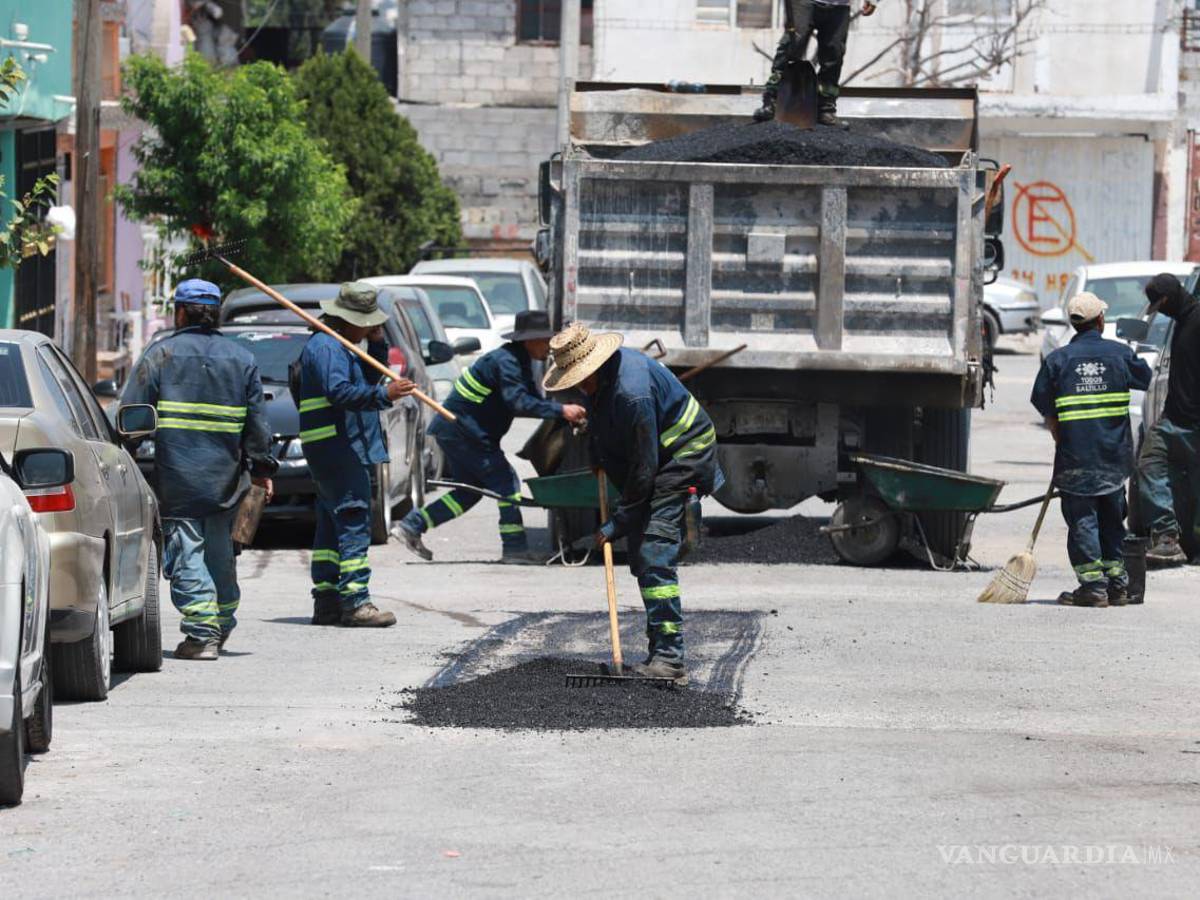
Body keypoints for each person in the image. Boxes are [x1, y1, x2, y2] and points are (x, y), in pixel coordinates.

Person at [542, 324, 724, 683]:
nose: (578, 386)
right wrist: (598, 455)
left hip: (684, 455)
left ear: (592, 367)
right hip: (657, 459)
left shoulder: (631, 393)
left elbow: (645, 468)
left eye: (579, 379)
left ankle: (670, 659)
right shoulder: (603, 381)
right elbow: (604, 424)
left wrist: (618, 522)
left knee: (655, 550)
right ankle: (659, 649)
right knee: (643, 551)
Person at [120, 279, 277, 660]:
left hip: (180, 478)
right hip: (228, 482)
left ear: (180, 312)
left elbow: (131, 417)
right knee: (220, 556)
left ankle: (202, 634)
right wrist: (261, 471)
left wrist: (122, 454)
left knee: (187, 554)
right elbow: (258, 424)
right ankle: (220, 626)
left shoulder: (161, 355)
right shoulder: (242, 359)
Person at [394, 310, 588, 563]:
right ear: (529, 340)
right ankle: (515, 550)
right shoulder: (506, 362)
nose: (550, 346)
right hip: (463, 432)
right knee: (507, 484)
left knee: (469, 493)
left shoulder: (520, 361)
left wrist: (562, 405)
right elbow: (518, 402)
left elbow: (532, 399)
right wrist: (562, 410)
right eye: (545, 340)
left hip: (462, 432)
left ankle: (411, 526)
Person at [297, 283, 416, 627]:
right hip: (336, 446)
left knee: (333, 525)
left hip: (341, 447)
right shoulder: (326, 347)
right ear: (348, 319)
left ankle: (328, 601)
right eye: (367, 323)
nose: (368, 328)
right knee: (352, 518)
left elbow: (366, 377)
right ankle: (355, 602)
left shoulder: (344, 345)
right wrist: (385, 396)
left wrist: (378, 343)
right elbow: (341, 392)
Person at [1030, 293, 1152, 607]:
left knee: (1083, 520)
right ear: (1100, 320)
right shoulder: (1119, 354)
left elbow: (1042, 401)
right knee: (1113, 519)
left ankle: (1095, 587)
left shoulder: (1058, 360)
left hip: (1075, 459)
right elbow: (1146, 377)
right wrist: (1130, 354)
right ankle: (1117, 585)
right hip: (1113, 457)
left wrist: (1056, 427)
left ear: (1074, 324)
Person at [1137, 273, 1200, 566]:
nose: (1161, 311)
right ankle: (1167, 537)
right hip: (1174, 418)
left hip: (1194, 422)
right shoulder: (1182, 321)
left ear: (1171, 297)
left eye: (1161, 305)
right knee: (1149, 463)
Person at [754, 0, 878, 127]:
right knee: (792, 44)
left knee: (834, 54)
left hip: (840, 6)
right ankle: (772, 101)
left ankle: (826, 108)